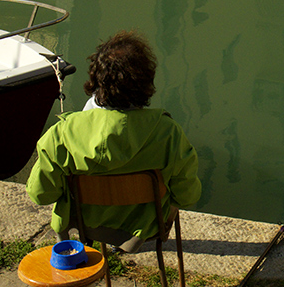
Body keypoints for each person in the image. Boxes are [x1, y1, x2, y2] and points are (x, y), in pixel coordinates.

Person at [26, 31, 201, 253]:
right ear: (146, 81)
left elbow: (41, 194)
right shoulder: (169, 134)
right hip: (144, 229)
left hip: (81, 224)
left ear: (95, 79)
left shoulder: (61, 133)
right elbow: (187, 196)